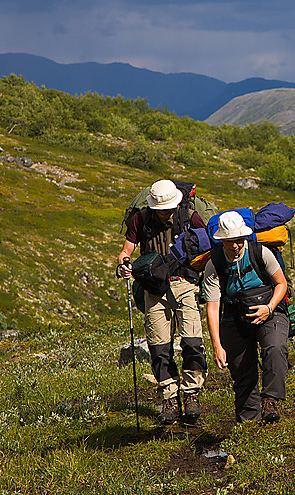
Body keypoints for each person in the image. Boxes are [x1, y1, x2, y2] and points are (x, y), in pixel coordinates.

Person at [117, 179, 208, 425]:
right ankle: (169, 396)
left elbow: (208, 246)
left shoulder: (189, 216)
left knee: (192, 341)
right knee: (159, 346)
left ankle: (191, 395)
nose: (166, 213)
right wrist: (125, 263)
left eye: (168, 208)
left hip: (185, 283)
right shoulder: (140, 219)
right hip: (154, 289)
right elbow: (127, 250)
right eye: (162, 209)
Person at [203, 211, 290, 423]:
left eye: (239, 241)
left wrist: (268, 308)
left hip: (270, 311)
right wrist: (217, 345)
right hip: (234, 318)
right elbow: (213, 308)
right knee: (243, 371)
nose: (235, 246)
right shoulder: (213, 264)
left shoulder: (261, 253)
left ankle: (271, 401)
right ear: (221, 240)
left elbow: (281, 284)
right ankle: (248, 423)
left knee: (275, 348)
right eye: (230, 241)